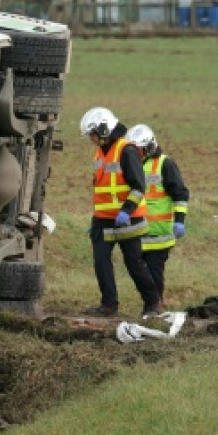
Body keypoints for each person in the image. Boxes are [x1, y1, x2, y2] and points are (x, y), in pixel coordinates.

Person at [79, 107, 163, 318]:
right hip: (103, 220)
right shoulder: (99, 153)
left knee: (134, 263)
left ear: (104, 130)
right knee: (101, 262)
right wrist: (98, 217)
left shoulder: (127, 151)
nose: (91, 139)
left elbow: (138, 186)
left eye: (93, 134)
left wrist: (126, 211)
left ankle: (153, 302)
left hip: (128, 219)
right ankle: (109, 305)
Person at [126, 124, 189, 308]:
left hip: (159, 234)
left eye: (140, 150)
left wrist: (179, 221)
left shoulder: (165, 164)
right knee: (139, 273)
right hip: (137, 231)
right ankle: (152, 305)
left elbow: (180, 194)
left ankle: (155, 307)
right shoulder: (132, 164)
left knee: (154, 272)